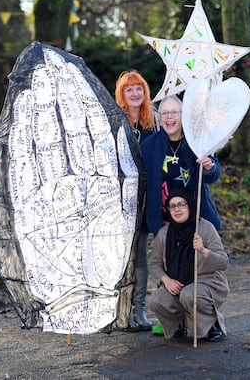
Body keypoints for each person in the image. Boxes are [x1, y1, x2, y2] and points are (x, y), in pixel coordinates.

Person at [141, 94, 222, 335]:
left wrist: (209, 167)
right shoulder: (150, 145)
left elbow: (214, 173)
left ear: (183, 115)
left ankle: (210, 323)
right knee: (169, 271)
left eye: (174, 112)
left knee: (200, 270)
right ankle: (174, 322)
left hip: (196, 215)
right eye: (164, 113)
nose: (168, 117)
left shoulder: (197, 140)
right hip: (165, 218)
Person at [148, 187, 230, 342]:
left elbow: (223, 262)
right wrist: (166, 280)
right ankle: (179, 323)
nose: (177, 209)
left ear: (190, 206)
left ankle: (212, 325)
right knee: (156, 300)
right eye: (172, 206)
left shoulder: (205, 228)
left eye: (181, 204)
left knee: (189, 294)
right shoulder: (164, 233)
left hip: (207, 282)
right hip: (178, 284)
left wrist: (204, 250)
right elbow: (154, 263)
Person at [115, 70, 157, 331]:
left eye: (139, 88)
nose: (134, 93)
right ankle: (121, 312)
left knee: (140, 256)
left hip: (145, 200)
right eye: (129, 89)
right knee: (121, 258)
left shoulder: (153, 123)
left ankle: (139, 311)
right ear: (122, 94)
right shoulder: (114, 123)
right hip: (119, 201)